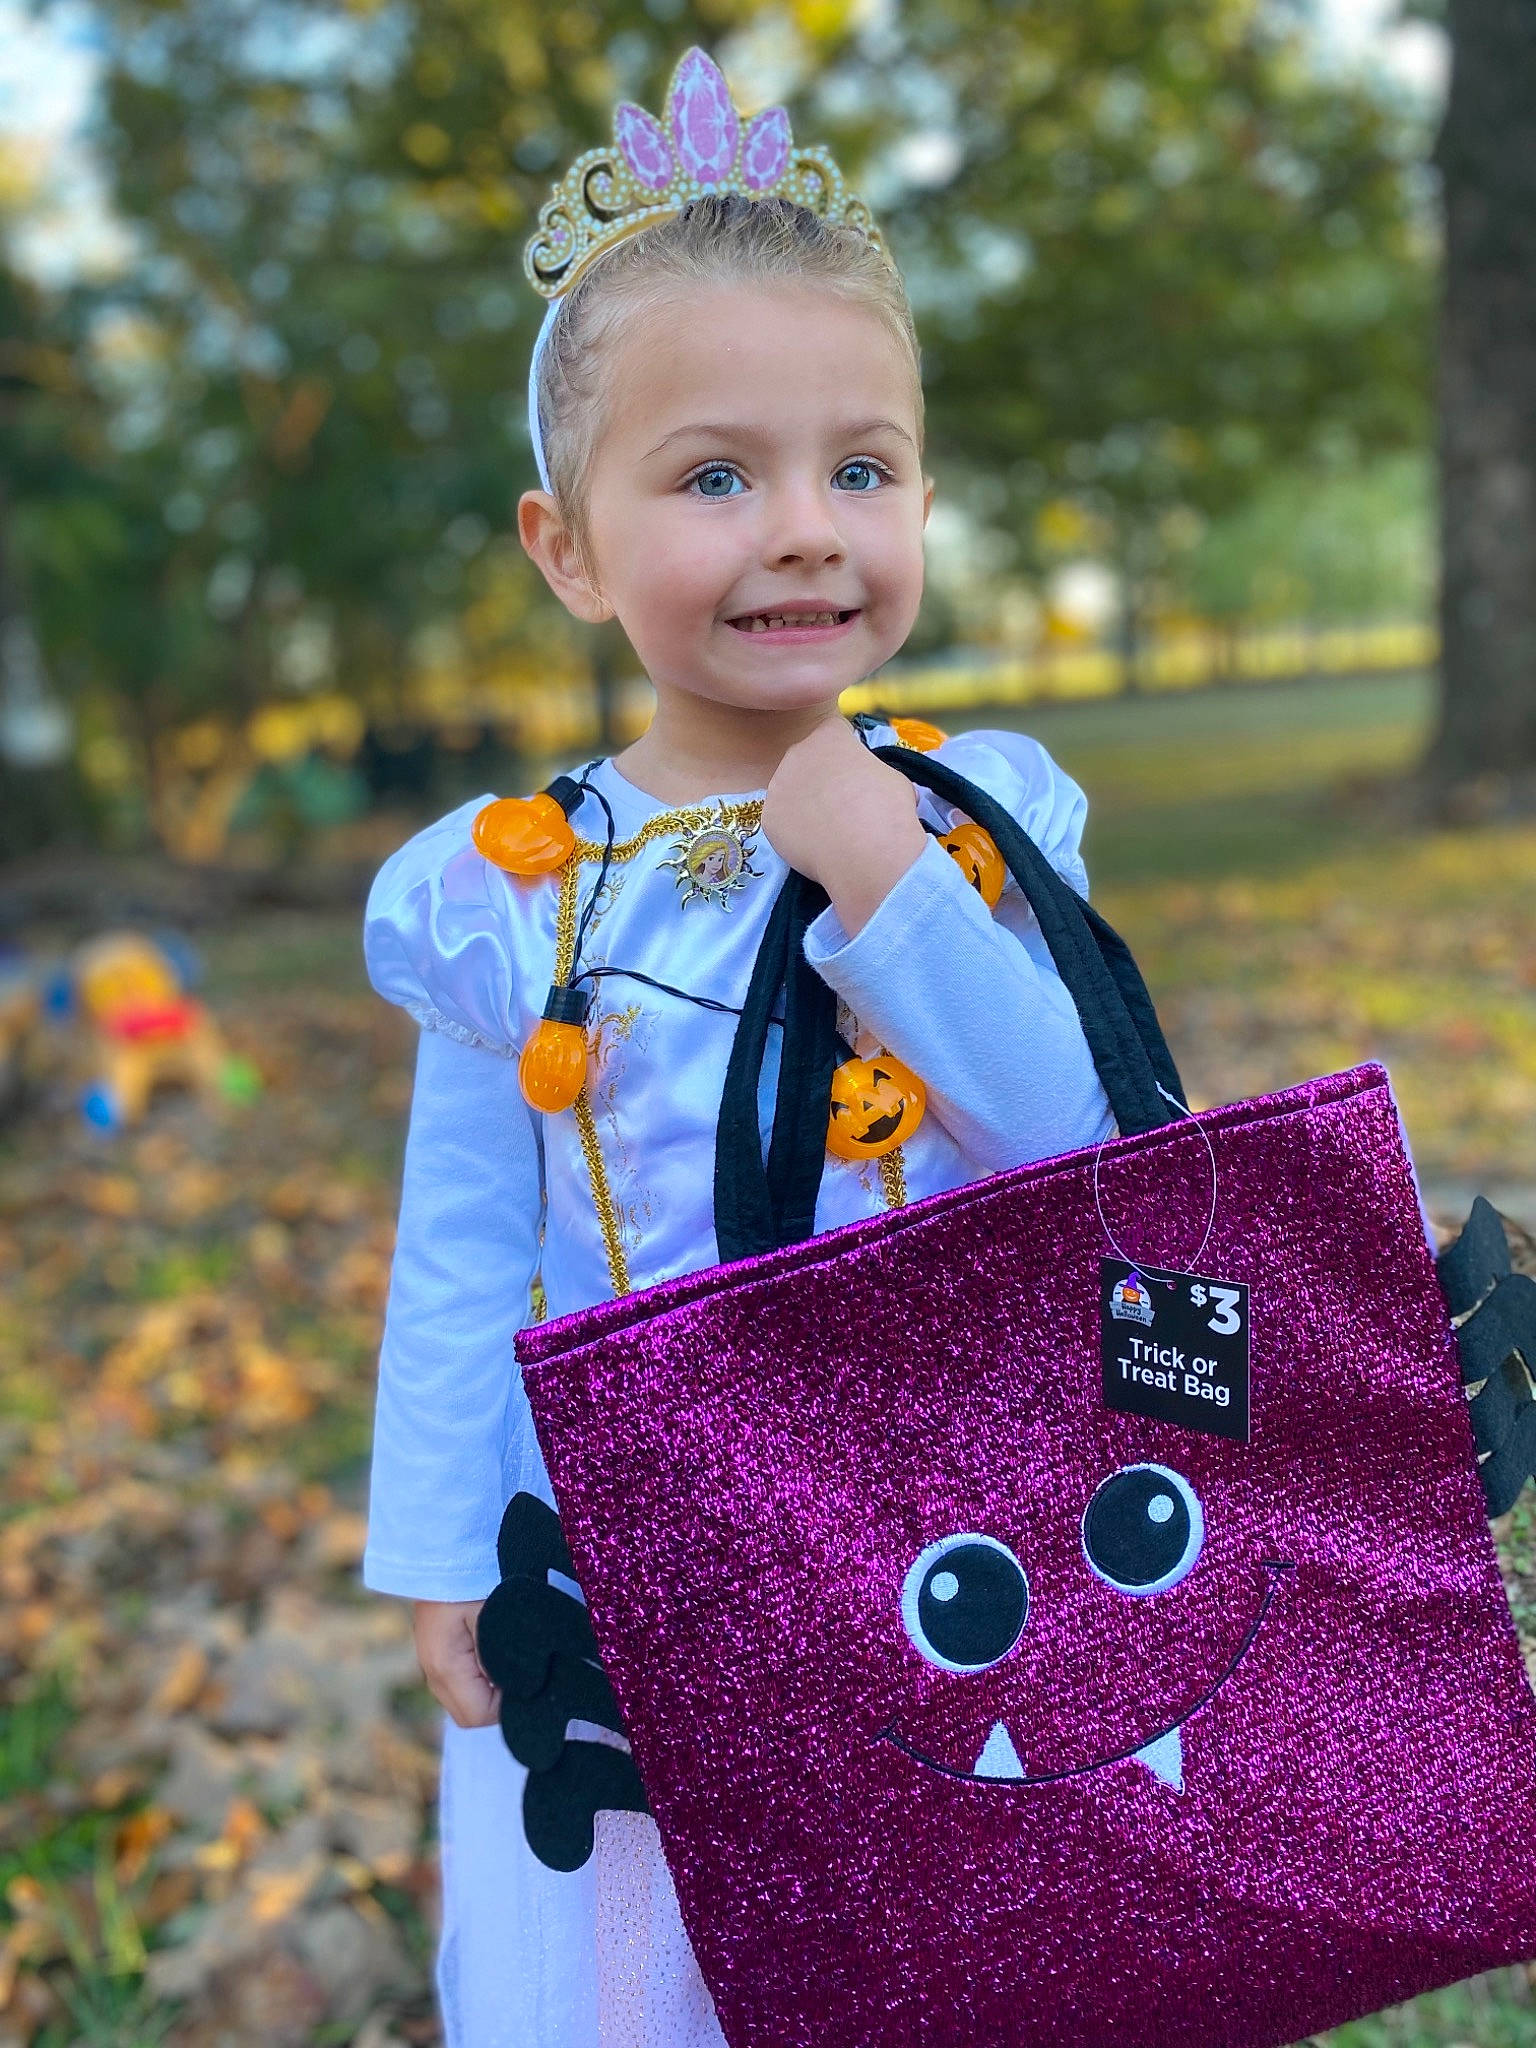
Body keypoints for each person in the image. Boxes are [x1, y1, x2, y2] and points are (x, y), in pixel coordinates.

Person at [362, 47, 1113, 2048]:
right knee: (634, 1948)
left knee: (937, 1934)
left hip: (938, 1496)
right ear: (570, 550)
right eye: (716, 476)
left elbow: (1081, 1141)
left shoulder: (976, 812)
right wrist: (442, 1544)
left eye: (860, 468)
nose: (803, 529)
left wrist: (895, 890)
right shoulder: (505, 887)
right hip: (630, 1536)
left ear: (925, 502)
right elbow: (459, 1241)